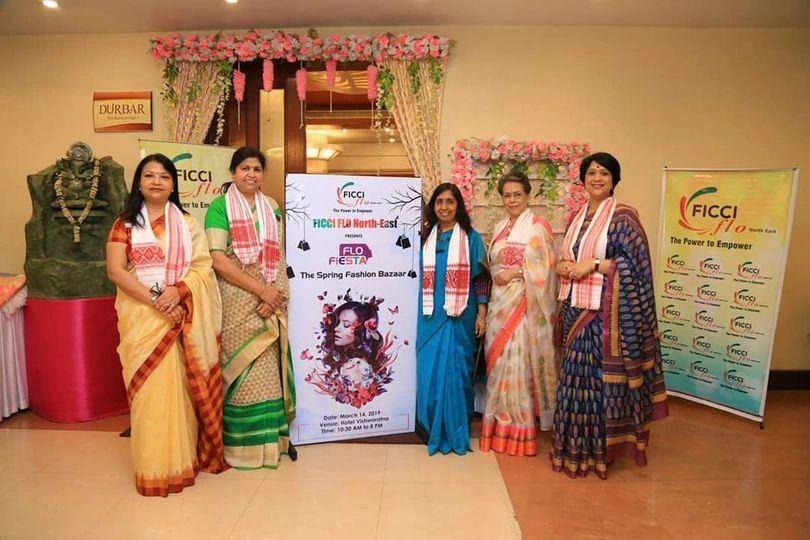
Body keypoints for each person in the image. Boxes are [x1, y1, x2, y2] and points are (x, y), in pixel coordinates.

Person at [106, 154, 226, 496]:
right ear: (139, 183)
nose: (156, 182)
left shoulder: (187, 223)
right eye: (149, 176)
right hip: (142, 315)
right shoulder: (124, 224)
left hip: (180, 313)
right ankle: (152, 468)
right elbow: (116, 271)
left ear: (173, 185)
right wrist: (156, 300)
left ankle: (181, 463)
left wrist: (178, 292)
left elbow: (202, 268)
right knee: (150, 395)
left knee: (179, 392)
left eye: (164, 176)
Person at [552, 152, 668, 479]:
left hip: (607, 317)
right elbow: (566, 258)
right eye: (591, 173)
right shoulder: (576, 218)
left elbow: (636, 267)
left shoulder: (623, 218)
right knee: (573, 379)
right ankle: (573, 448)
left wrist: (593, 265)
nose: (597, 178)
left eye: (604, 173)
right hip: (576, 310)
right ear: (583, 179)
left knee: (599, 384)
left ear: (615, 179)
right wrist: (563, 267)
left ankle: (600, 453)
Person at [204, 146, 296, 469]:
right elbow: (218, 260)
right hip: (236, 300)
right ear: (233, 172)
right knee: (240, 373)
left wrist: (276, 295)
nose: (251, 174)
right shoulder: (219, 207)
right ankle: (241, 450)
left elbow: (278, 254)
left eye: (257, 169)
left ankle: (271, 446)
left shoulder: (272, 206)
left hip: (269, 299)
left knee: (268, 375)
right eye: (245, 168)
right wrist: (261, 291)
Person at [479, 172, 558, 457]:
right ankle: (496, 424)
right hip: (498, 304)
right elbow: (491, 266)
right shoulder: (500, 227)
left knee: (517, 364)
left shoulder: (538, 226)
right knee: (498, 363)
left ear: (527, 196)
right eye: (507, 195)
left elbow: (547, 267)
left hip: (524, 305)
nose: (512, 200)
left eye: (517, 195)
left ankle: (519, 428)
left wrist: (517, 271)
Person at [416, 182, 488, 456]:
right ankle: (429, 426)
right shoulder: (424, 237)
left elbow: (481, 280)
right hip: (428, 314)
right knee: (429, 370)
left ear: (458, 206)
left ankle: (455, 429)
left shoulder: (471, 238)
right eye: (439, 202)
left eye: (450, 202)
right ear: (433, 206)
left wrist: (482, 313)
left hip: (460, 314)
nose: (444, 207)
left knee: (456, 372)